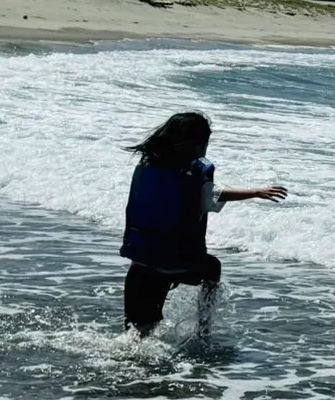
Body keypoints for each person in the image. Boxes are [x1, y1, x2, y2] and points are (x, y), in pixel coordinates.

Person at [119, 111, 287, 337]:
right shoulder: (192, 176)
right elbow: (214, 195)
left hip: (141, 262)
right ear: (198, 145)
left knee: (138, 331)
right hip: (179, 262)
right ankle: (204, 329)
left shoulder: (147, 166)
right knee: (212, 268)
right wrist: (255, 192)